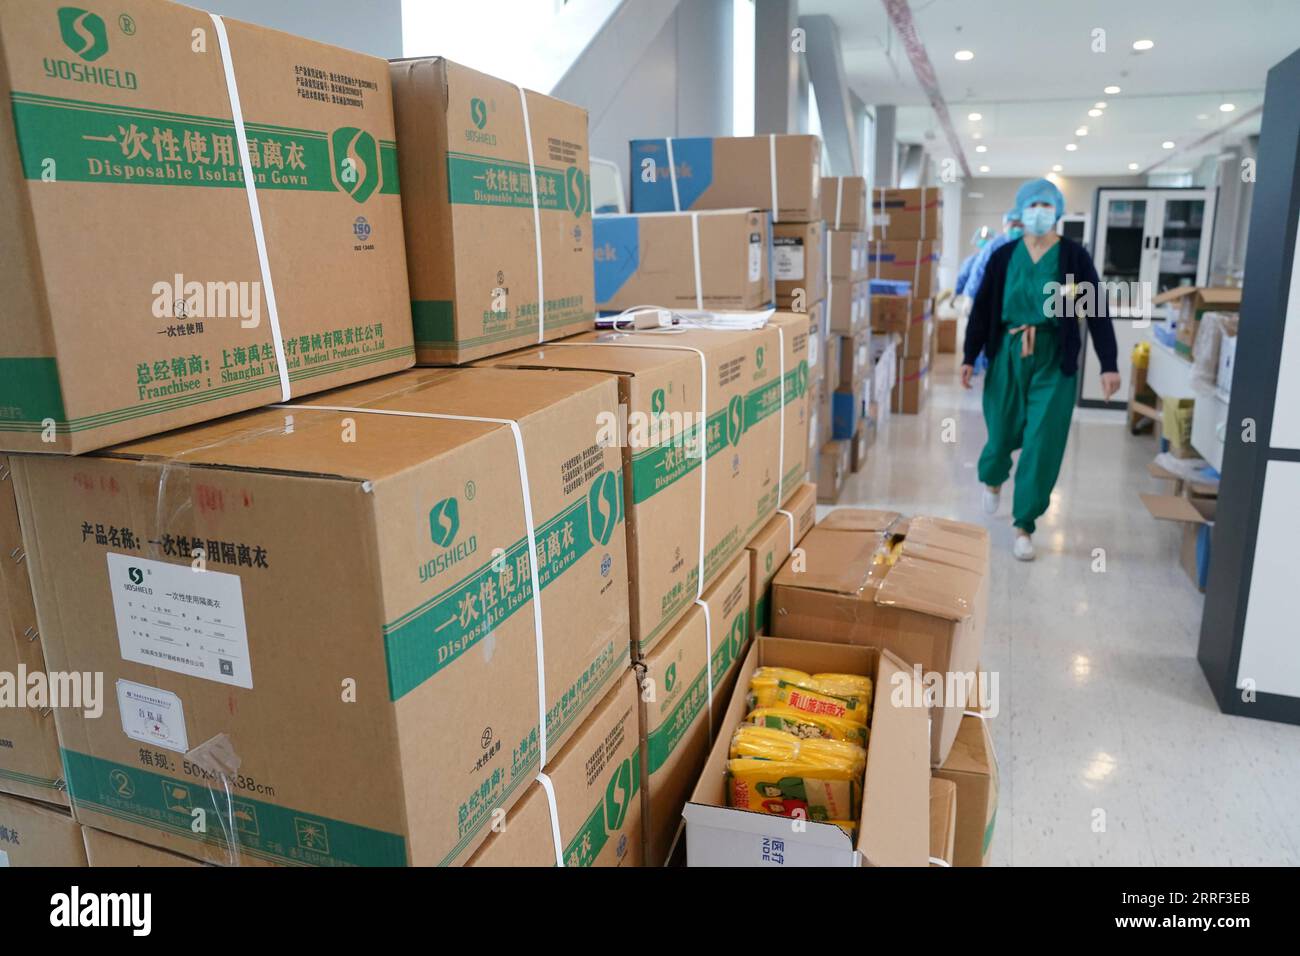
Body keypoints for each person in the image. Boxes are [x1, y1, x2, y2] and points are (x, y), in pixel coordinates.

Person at [960, 178, 1119, 561]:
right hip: (1008, 355)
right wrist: (969, 356)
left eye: (1047, 206)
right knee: (1000, 433)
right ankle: (994, 478)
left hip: (1054, 358)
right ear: (1020, 211)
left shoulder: (1074, 257)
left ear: (1057, 212)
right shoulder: (1003, 256)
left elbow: (1095, 309)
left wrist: (1109, 364)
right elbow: (982, 310)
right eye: (1033, 206)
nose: (1039, 213)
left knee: (1041, 442)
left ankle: (1024, 526)